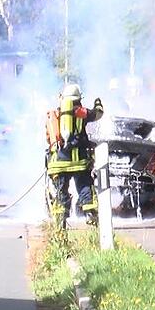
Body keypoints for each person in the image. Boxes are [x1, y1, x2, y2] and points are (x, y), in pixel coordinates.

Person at [45, 84, 104, 229]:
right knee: (84, 186)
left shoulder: (57, 114)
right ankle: (90, 214)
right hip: (78, 161)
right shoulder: (80, 111)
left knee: (60, 192)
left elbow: (50, 137)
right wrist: (98, 103)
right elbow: (97, 114)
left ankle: (60, 223)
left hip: (58, 163)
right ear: (78, 98)